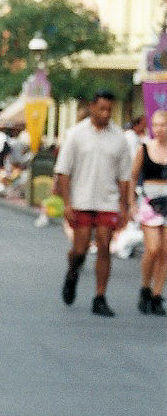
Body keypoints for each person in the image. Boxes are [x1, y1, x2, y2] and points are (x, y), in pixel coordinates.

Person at [55, 91, 132, 317]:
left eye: (109, 110)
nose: (106, 114)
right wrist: (67, 202)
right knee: (80, 250)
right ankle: (72, 273)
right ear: (92, 107)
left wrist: (124, 205)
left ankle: (100, 296)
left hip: (107, 201)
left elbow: (125, 175)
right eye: (101, 109)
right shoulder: (76, 134)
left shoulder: (119, 137)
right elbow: (63, 171)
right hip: (81, 199)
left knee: (105, 246)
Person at [130, 109, 167, 315]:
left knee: (165, 252)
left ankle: (157, 294)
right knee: (152, 249)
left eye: (163, 125)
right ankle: (145, 288)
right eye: (156, 125)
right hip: (150, 200)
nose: (160, 129)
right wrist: (131, 202)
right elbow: (133, 176)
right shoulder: (144, 148)